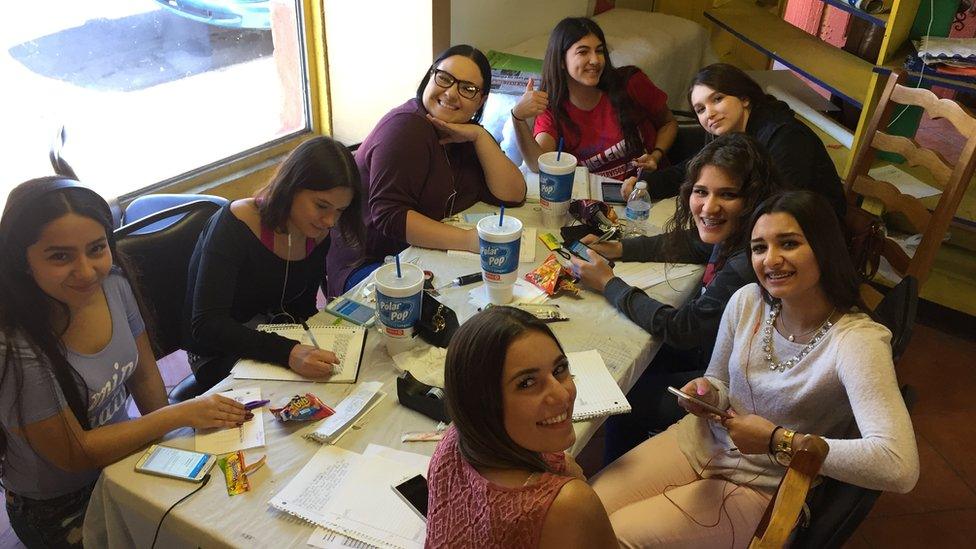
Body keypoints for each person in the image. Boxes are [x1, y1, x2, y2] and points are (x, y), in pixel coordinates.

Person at [589, 191, 918, 547]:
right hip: (700, 441)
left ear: (825, 247)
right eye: (759, 248)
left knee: (616, 537)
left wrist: (779, 441)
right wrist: (707, 392)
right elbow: (719, 379)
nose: (771, 260)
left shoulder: (857, 341)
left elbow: (899, 466)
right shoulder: (748, 300)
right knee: (583, 514)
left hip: (763, 484)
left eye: (789, 243)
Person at [0, 177, 247, 548]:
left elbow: (145, 375)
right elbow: (74, 453)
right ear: (22, 259)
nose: (86, 271)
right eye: (60, 256)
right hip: (59, 504)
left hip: (124, 458)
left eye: (97, 248)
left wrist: (169, 447)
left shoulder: (113, 284)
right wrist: (177, 416)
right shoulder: (15, 345)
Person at [572, 132, 777, 463]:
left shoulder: (746, 263)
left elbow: (682, 329)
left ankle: (617, 480)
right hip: (711, 356)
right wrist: (618, 248)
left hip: (738, 393)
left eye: (728, 195)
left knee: (625, 398)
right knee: (632, 361)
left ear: (753, 201)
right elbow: (691, 242)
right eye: (701, 192)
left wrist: (609, 283)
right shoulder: (738, 234)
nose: (709, 207)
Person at [325, 45, 526, 296]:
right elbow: (390, 217)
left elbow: (513, 194)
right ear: (429, 77)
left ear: (481, 100)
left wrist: (479, 136)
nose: (451, 93)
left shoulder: (465, 131)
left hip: (425, 256)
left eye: (468, 89)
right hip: (371, 265)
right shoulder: (406, 129)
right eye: (444, 78)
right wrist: (467, 241)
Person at [184, 136, 364, 392]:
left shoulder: (316, 232)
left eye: (340, 211)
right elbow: (207, 326)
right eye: (321, 206)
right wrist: (288, 352)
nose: (330, 221)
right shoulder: (236, 224)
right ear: (291, 186)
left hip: (276, 335)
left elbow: (300, 305)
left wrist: (326, 338)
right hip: (217, 352)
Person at [425, 306, 616, 548]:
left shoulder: (451, 443)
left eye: (559, 370)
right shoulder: (567, 504)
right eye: (527, 383)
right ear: (482, 404)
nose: (562, 395)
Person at [622, 63, 846, 218]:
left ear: (744, 98)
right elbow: (691, 169)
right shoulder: (728, 134)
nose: (709, 113)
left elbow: (778, 207)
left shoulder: (785, 136)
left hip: (811, 237)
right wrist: (645, 185)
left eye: (718, 99)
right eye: (700, 109)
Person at [512, 16, 677, 180]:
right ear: (561, 60)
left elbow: (669, 123)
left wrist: (656, 155)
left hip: (651, 193)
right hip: (599, 203)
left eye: (599, 51)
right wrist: (517, 117)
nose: (595, 60)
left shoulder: (631, 82)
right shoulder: (552, 110)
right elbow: (538, 164)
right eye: (583, 52)